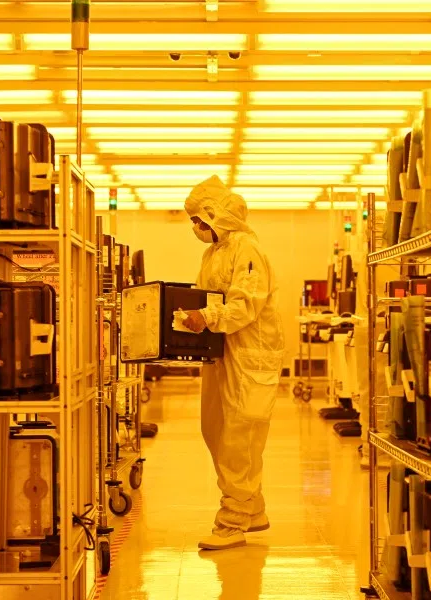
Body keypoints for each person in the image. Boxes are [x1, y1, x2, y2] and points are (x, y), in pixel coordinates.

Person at [181, 175, 286, 551]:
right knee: (215, 429)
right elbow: (203, 296)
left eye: (200, 220)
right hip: (223, 354)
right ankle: (253, 509)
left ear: (217, 216)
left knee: (239, 438)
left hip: (251, 355)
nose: (195, 228)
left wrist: (208, 319)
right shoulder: (214, 252)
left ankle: (232, 521)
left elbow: (245, 305)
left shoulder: (247, 250)